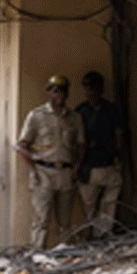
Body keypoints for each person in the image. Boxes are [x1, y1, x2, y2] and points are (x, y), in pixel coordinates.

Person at [17, 75, 85, 249]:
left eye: (63, 90)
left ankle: (62, 257)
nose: (59, 94)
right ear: (49, 92)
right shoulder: (36, 115)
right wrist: (33, 168)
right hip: (44, 172)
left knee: (65, 222)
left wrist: (76, 168)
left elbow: (81, 145)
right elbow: (22, 145)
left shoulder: (74, 118)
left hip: (66, 172)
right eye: (55, 90)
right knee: (41, 220)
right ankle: (38, 254)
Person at [76, 71, 125, 238]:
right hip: (88, 166)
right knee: (90, 207)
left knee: (107, 204)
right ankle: (94, 236)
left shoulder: (110, 110)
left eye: (93, 87)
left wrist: (117, 154)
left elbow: (119, 136)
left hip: (106, 162)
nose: (90, 91)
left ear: (101, 89)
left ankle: (101, 236)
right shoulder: (81, 111)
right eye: (87, 87)